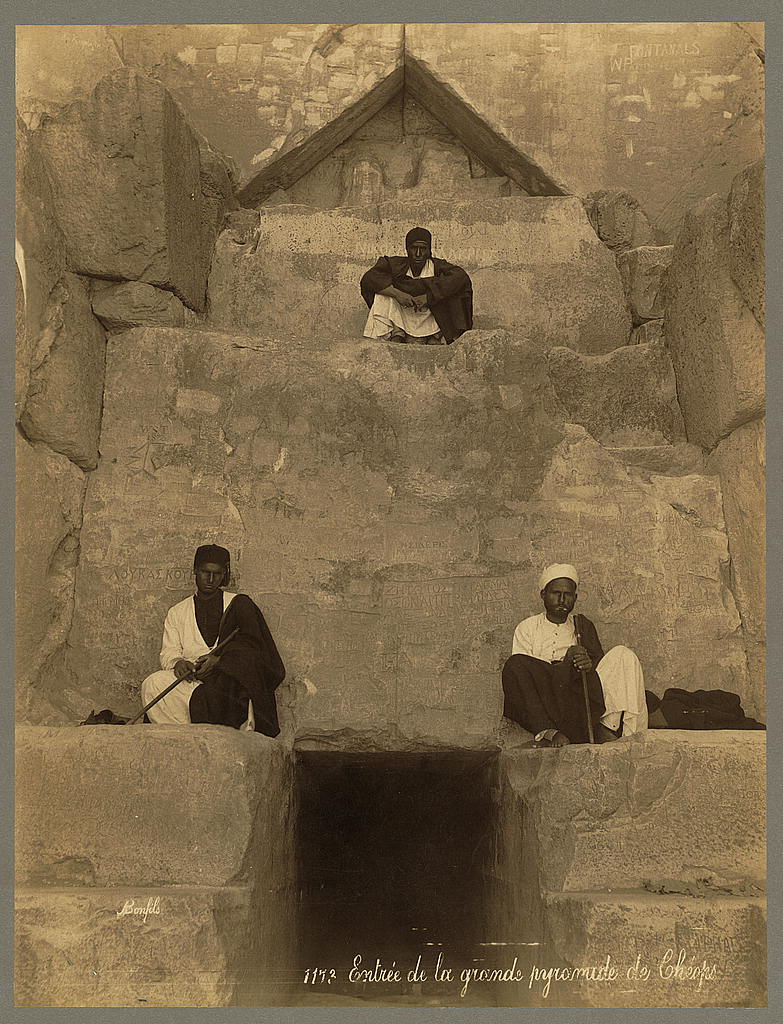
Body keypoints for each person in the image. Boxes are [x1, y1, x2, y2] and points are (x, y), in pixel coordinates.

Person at [140, 544, 285, 737]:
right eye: (205, 572)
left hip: (226, 682)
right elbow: (169, 652)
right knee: (153, 683)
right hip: (191, 680)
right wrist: (179, 663)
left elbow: (256, 651)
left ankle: (217, 734)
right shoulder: (177, 612)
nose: (210, 579)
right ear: (195, 571)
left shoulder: (239, 605)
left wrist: (219, 662)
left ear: (224, 574)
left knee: (234, 683)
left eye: (217, 574)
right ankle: (186, 734)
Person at [501, 564, 647, 746]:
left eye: (568, 595)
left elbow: (599, 678)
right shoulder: (527, 628)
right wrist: (566, 662)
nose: (562, 599)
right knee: (515, 664)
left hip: (577, 703)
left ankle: (616, 731)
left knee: (624, 655)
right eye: (555, 593)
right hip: (547, 700)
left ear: (575, 598)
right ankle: (548, 732)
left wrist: (585, 663)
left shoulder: (582, 626)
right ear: (543, 595)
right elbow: (525, 680)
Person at [360, 226, 473, 344]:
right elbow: (369, 278)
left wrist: (427, 298)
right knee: (382, 293)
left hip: (431, 315)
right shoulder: (395, 264)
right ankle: (397, 333)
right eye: (414, 248)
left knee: (453, 290)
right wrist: (398, 295)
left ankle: (436, 336)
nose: (418, 253)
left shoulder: (438, 266)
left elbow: (461, 277)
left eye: (423, 248)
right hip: (404, 311)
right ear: (407, 249)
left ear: (429, 251)